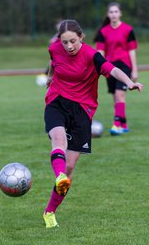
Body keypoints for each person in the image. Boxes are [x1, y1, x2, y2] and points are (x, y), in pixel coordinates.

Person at [43, 19, 143, 229]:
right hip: (57, 101)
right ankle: (59, 176)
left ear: (81, 38)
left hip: (82, 110)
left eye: (72, 41)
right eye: (64, 42)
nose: (69, 46)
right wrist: (51, 78)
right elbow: (53, 62)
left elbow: (113, 70)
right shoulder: (54, 48)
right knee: (58, 139)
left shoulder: (92, 55)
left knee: (70, 166)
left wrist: (129, 82)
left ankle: (50, 211)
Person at [94, 2, 139, 135]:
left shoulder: (128, 29)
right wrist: (99, 68)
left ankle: (116, 125)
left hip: (124, 65)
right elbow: (100, 51)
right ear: (108, 14)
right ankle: (124, 124)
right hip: (110, 67)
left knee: (120, 95)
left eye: (116, 12)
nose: (113, 14)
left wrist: (135, 69)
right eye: (111, 12)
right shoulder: (103, 31)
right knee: (116, 97)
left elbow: (132, 51)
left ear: (120, 13)